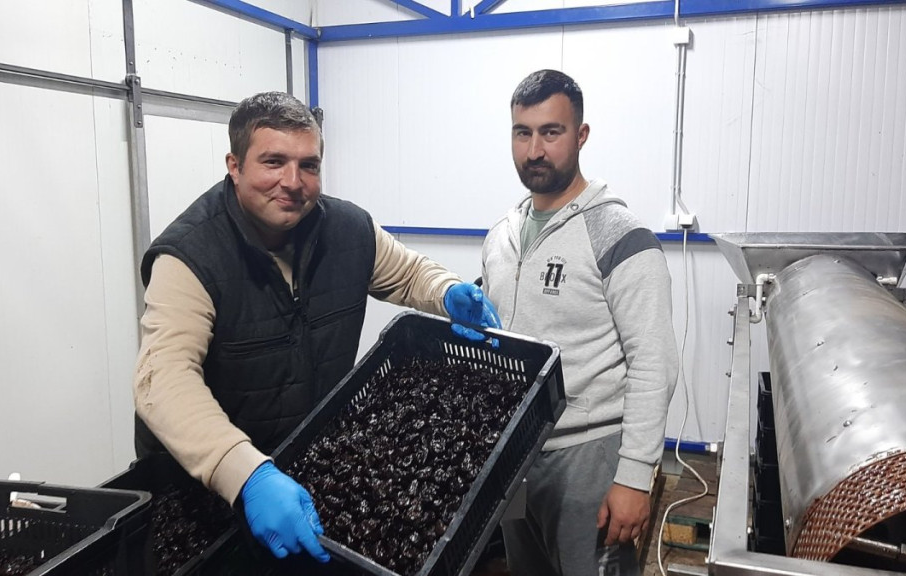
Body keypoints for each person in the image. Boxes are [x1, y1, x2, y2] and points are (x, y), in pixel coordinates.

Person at [132, 91, 499, 564]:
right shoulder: (190, 256)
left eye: (308, 165)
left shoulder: (346, 230)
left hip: (304, 468)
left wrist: (447, 293)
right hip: (205, 490)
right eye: (273, 162)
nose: (293, 182)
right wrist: (245, 473)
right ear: (234, 165)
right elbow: (162, 379)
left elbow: (408, 274)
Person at [482, 70, 678, 575]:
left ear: (581, 135)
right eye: (522, 133)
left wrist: (634, 475)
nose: (534, 150)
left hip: (589, 456)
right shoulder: (502, 235)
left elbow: (653, 362)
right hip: (516, 457)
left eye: (551, 132)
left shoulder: (620, 236)